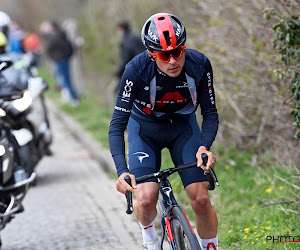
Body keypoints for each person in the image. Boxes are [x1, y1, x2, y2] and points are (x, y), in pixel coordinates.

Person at [109, 13, 219, 250]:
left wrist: (204, 146)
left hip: (183, 129)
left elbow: (210, 113)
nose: (172, 61)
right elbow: (117, 125)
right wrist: (122, 171)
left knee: (200, 199)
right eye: (163, 55)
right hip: (144, 130)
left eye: (177, 52)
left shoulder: (199, 65)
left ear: (184, 47)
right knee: (147, 199)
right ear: (151, 53)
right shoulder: (135, 70)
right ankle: (149, 237)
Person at [39, 20, 79, 106]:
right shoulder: (58, 35)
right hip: (61, 60)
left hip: (60, 60)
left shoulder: (56, 36)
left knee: (64, 80)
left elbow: (50, 46)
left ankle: (73, 98)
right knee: (63, 79)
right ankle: (69, 96)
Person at [108, 20, 145, 107]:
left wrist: (117, 74)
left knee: (112, 90)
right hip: (144, 70)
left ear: (121, 29)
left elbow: (125, 60)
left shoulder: (126, 41)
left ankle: (117, 117)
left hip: (133, 73)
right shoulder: (136, 37)